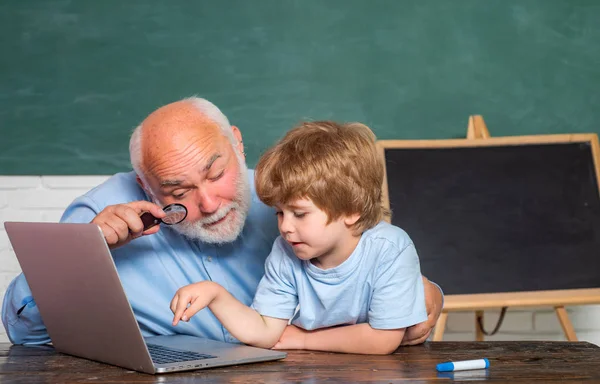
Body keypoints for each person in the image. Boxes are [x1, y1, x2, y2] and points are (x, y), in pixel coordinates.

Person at [1, 97, 443, 347]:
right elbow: (27, 336)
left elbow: (366, 262)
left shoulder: (279, 193)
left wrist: (426, 294)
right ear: (146, 185)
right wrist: (83, 252)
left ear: (237, 142)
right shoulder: (95, 218)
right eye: (178, 192)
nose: (210, 202)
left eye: (216, 174)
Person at [171, 121, 427, 354]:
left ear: (351, 210)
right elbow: (266, 331)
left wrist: (304, 340)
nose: (285, 227)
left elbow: (382, 339)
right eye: (279, 213)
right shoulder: (285, 251)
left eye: (300, 214)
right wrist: (216, 295)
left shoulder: (390, 248)